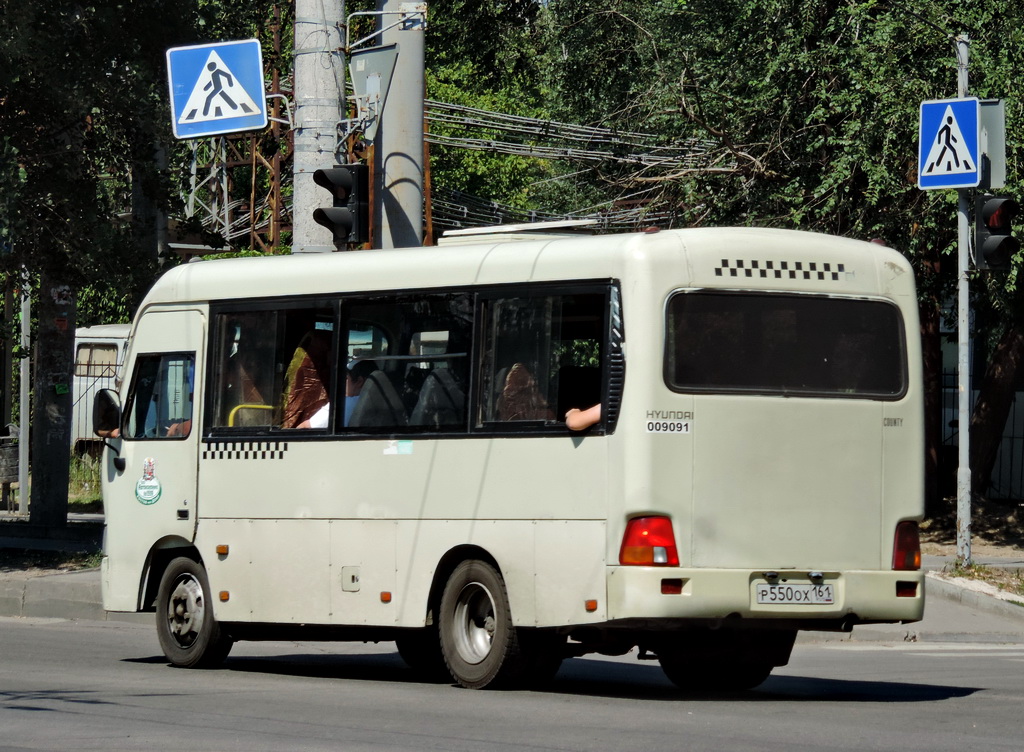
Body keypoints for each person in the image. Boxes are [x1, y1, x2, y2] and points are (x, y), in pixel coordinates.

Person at [298, 359, 377, 428]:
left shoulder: (343, 404)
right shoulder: (384, 403)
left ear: (359, 381)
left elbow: (304, 428)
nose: (343, 383)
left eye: (346, 378)